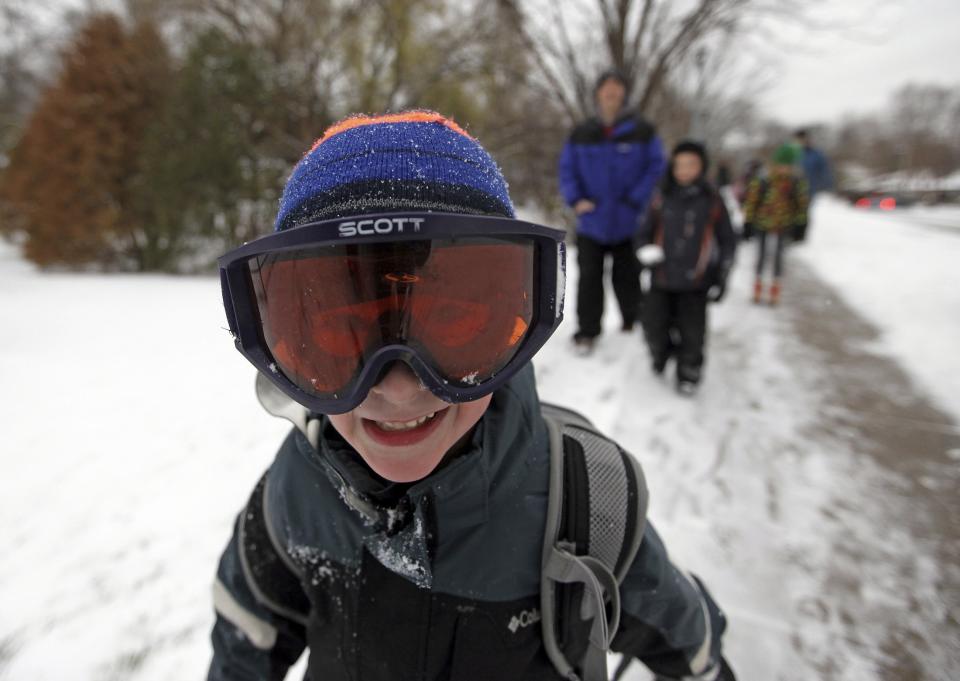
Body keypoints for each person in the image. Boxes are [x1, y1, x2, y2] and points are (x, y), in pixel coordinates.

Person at [208, 111, 735, 681]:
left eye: (454, 324)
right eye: (340, 336)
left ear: (511, 326)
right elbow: (244, 640)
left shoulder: (583, 502)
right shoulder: (295, 491)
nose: (399, 387)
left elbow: (686, 642)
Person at [559, 70, 667, 355]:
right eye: (606, 88)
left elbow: (656, 167)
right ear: (598, 93)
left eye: (616, 88)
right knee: (590, 278)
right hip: (591, 223)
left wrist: (636, 200)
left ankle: (632, 319)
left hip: (628, 222)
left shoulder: (641, 131)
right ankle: (587, 331)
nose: (611, 93)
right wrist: (576, 199)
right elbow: (567, 170)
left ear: (624, 94)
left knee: (628, 275)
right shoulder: (582, 133)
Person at [637, 140, 736, 395]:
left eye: (691, 164)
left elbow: (727, 239)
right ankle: (661, 354)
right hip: (662, 277)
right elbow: (643, 231)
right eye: (679, 165)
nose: (684, 170)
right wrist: (644, 252)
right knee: (653, 325)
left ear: (702, 167)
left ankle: (688, 372)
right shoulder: (661, 196)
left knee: (692, 333)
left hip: (697, 281)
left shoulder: (712, 200)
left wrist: (723, 272)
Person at [742, 144, 809, 306]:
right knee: (762, 255)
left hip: (783, 224)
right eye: (782, 165)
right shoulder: (763, 180)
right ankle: (758, 287)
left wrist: (801, 224)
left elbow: (801, 204)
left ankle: (774, 289)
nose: (784, 169)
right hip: (762, 223)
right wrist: (748, 221)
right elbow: (751, 201)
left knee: (779, 257)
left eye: (788, 165)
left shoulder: (796, 182)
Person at [792, 129, 833, 242]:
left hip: (808, 188)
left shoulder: (816, 154)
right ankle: (791, 233)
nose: (800, 142)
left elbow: (824, 170)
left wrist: (825, 184)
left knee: (803, 212)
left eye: (802, 139)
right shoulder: (791, 152)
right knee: (790, 211)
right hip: (790, 188)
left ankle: (800, 236)